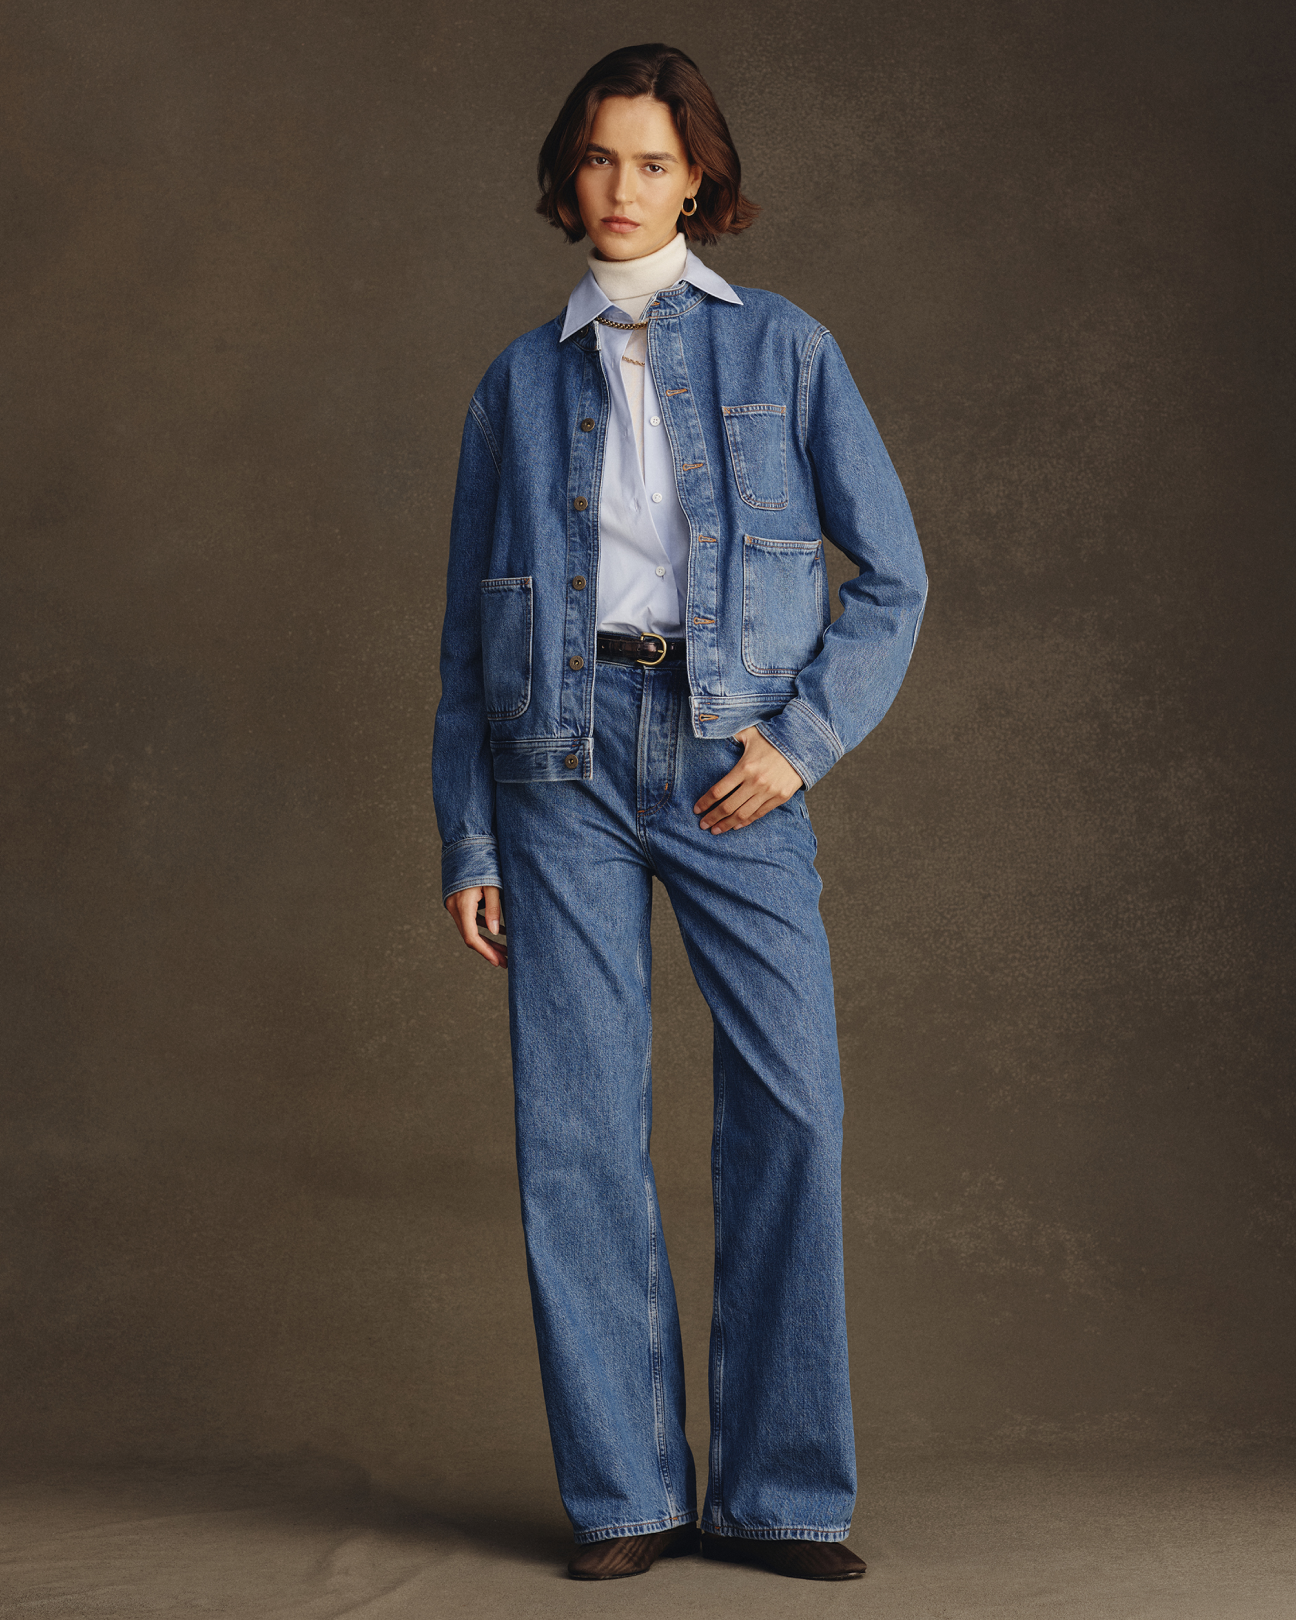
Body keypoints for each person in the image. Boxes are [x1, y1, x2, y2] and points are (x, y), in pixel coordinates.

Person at [432, 43, 927, 1583]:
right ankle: (627, 1496)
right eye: (599, 158)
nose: (622, 187)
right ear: (566, 174)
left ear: (698, 177)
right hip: (559, 763)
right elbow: (464, 640)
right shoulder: (517, 385)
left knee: (792, 1107)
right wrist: (469, 834)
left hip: (729, 759)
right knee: (577, 1128)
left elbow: (895, 578)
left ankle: (779, 1495)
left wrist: (803, 741)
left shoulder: (785, 349)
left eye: (652, 161)